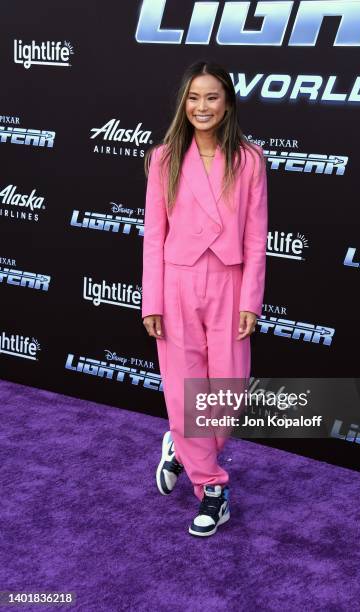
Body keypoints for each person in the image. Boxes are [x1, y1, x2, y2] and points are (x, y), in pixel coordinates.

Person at [141, 60, 268, 537]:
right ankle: (212, 488)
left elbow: (257, 237)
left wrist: (251, 299)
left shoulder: (250, 160)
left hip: (230, 283)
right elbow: (154, 235)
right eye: (194, 98)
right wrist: (150, 299)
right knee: (184, 388)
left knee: (228, 392)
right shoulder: (164, 158)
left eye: (211, 97)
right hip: (176, 282)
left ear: (228, 102)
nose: (202, 107)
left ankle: (181, 443)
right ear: (184, 103)